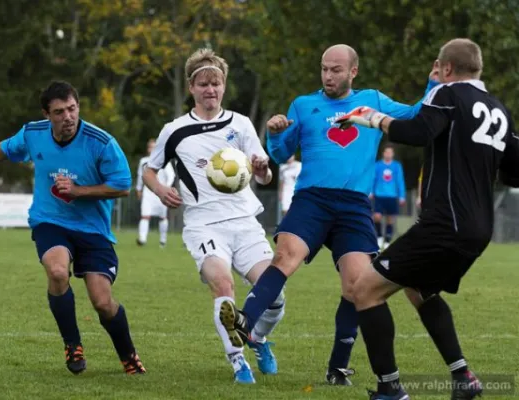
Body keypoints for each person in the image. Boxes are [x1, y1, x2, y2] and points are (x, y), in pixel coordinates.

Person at [217, 44, 439, 386]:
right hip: (312, 200)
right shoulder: (304, 105)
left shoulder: (374, 102)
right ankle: (246, 322)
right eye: (324, 69)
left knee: (357, 286)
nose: (328, 75)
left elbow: (413, 117)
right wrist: (275, 134)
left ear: (353, 71)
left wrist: (432, 86)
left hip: (353, 206)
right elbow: (279, 153)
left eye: (336, 69)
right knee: (285, 257)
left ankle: (337, 369)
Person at [335, 38, 519, 400]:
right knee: (419, 290)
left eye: (438, 68)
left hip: (444, 224)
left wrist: (370, 118)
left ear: (446, 68)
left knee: (364, 291)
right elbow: (515, 171)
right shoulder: (498, 110)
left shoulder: (445, 94)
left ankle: (390, 389)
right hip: (478, 230)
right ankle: (463, 378)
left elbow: (417, 132)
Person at [0, 81, 146, 376]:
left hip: (93, 230)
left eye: (72, 109)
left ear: (79, 107)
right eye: (59, 111)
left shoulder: (101, 143)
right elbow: (4, 149)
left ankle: (128, 356)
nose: (68, 117)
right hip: (51, 221)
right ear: (47, 114)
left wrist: (79, 191)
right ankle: (72, 345)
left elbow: (123, 187)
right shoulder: (33, 134)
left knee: (102, 302)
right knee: (58, 272)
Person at [142, 48, 284, 384]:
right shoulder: (174, 130)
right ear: (192, 87)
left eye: (216, 83)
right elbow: (150, 171)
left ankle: (258, 338)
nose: (211, 90)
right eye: (204, 84)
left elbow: (264, 177)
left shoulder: (242, 124)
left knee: (274, 295)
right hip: (203, 224)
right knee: (223, 284)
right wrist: (162, 191)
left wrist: (262, 169)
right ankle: (238, 363)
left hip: (245, 222)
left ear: (224, 86)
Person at [135, 138, 175, 247]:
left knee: (162, 217)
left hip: (161, 193)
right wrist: (138, 189)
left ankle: (163, 240)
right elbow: (140, 176)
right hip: (148, 192)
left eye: (153, 147)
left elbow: (171, 175)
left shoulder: (164, 160)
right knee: (145, 216)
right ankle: (142, 239)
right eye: (149, 147)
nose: (151, 149)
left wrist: (167, 188)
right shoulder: (143, 161)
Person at [371, 144, 406, 249]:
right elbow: (373, 178)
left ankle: (387, 240)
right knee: (377, 216)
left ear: (393, 154)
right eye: (386, 152)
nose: (388, 154)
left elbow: (400, 181)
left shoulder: (396, 166)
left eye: (390, 152)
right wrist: (371, 191)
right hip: (379, 195)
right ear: (383, 153)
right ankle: (379, 236)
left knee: (390, 219)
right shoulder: (377, 165)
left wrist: (402, 196)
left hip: (392, 195)